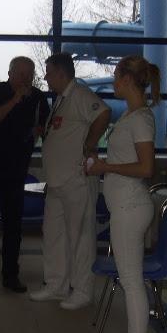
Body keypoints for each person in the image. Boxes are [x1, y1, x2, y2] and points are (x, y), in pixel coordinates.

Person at [85, 55, 160, 333]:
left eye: (116, 76)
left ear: (127, 80)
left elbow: (146, 168)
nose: (113, 82)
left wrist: (106, 166)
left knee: (131, 282)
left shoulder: (140, 118)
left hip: (131, 208)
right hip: (125, 207)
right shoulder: (132, 115)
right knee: (130, 280)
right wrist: (104, 166)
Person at [29, 53, 111, 310]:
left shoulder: (79, 95)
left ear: (61, 73)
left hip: (75, 180)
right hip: (56, 181)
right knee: (54, 236)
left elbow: (104, 114)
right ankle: (56, 285)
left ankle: (82, 290)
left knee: (80, 237)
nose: (45, 77)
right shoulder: (61, 100)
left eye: (48, 72)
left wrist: (89, 145)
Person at [0, 56, 50, 294]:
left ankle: (11, 274)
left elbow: (45, 128)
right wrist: (15, 100)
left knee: (13, 225)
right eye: (20, 74)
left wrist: (38, 131)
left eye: (29, 75)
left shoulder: (38, 97)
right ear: (10, 73)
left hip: (16, 170)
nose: (25, 79)